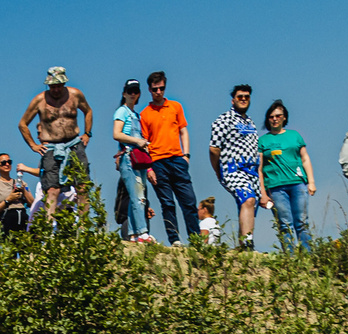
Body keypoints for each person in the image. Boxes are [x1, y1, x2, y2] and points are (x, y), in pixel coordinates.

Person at [139, 71, 199, 246]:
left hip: (177, 159)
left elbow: (183, 130)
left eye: (162, 88)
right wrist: (149, 168)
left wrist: (186, 155)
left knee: (189, 201)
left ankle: (196, 240)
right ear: (149, 89)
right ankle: (175, 240)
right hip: (157, 162)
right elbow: (144, 143)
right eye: (155, 89)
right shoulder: (145, 114)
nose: (159, 92)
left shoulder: (175, 107)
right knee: (167, 203)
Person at [19, 67, 88, 217]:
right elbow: (23, 124)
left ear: (64, 83)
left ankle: (83, 229)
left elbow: (88, 111)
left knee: (82, 186)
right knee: (52, 189)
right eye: (52, 86)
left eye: (58, 85)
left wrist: (87, 133)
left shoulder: (75, 94)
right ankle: (49, 233)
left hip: (74, 143)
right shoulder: (39, 100)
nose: (55, 89)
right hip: (51, 147)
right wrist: (33, 145)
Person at [207, 85, 266, 250]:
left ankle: (242, 247)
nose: (243, 99)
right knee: (248, 199)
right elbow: (214, 148)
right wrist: (218, 170)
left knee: (248, 206)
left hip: (252, 171)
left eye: (247, 96)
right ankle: (248, 244)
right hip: (233, 168)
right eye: (240, 96)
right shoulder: (224, 119)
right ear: (233, 100)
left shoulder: (251, 122)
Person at [257, 99, 314, 250]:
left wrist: (311, 181)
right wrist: (262, 192)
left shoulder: (295, 136)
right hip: (276, 187)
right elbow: (259, 168)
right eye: (271, 116)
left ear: (284, 117)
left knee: (301, 221)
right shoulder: (262, 141)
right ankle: (291, 258)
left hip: (297, 183)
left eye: (278, 116)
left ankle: (309, 256)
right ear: (267, 119)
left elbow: (305, 158)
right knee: (284, 223)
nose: (275, 119)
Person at [112, 79, 153, 242]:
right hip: (129, 156)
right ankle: (143, 232)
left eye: (135, 91)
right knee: (138, 196)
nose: (133, 94)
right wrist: (137, 141)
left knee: (137, 195)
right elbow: (116, 134)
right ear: (124, 94)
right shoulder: (121, 111)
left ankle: (133, 233)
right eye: (130, 91)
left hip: (139, 158)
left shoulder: (136, 114)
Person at [0, 154, 33, 236]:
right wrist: (8, 200)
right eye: (4, 162)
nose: (7, 164)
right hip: (7, 221)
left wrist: (23, 191)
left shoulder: (21, 183)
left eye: (9, 162)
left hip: (23, 220)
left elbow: (32, 204)